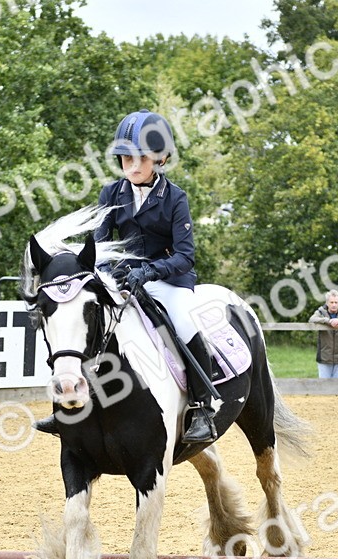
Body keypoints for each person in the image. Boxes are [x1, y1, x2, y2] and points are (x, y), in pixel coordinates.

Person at [34, 109, 216, 444]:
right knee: (84, 323)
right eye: (125, 159)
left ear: (160, 158)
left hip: (168, 280)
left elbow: (185, 255)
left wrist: (148, 271)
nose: (132, 166)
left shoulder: (176, 199)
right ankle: (66, 407)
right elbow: (101, 244)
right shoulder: (112, 194)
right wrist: (109, 274)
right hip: (124, 280)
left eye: (140, 159)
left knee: (186, 323)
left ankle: (202, 406)